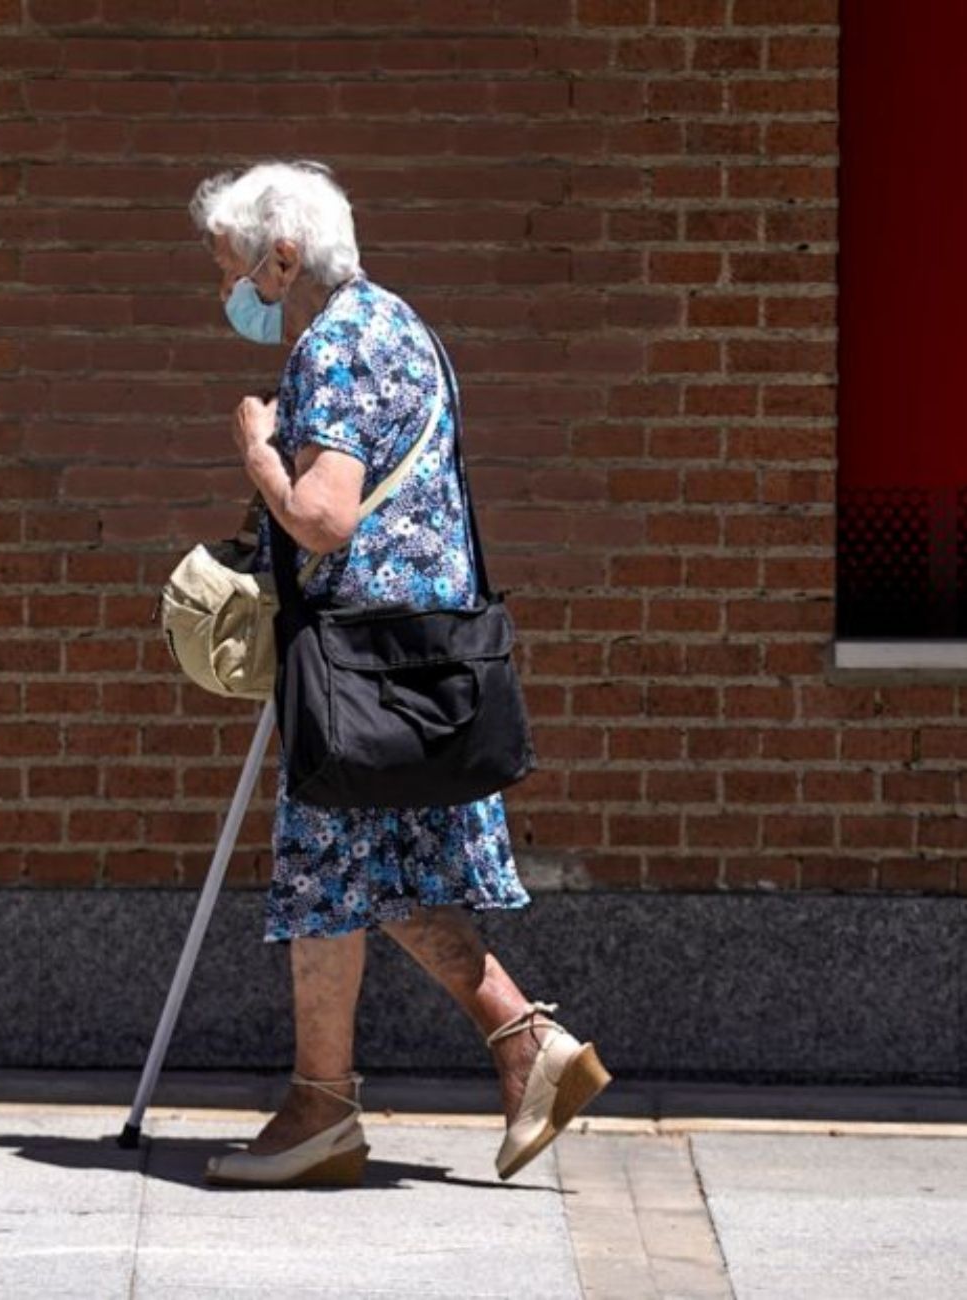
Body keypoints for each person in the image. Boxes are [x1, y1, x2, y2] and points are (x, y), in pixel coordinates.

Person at [188, 160, 611, 1188]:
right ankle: (352, 1096)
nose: (229, 291)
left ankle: (449, 1063)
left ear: (284, 255)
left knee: (344, 869)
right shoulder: (400, 325)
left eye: (236, 266)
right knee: (353, 875)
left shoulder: (331, 349)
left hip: (360, 666)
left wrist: (258, 456)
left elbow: (326, 516)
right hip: (416, 659)